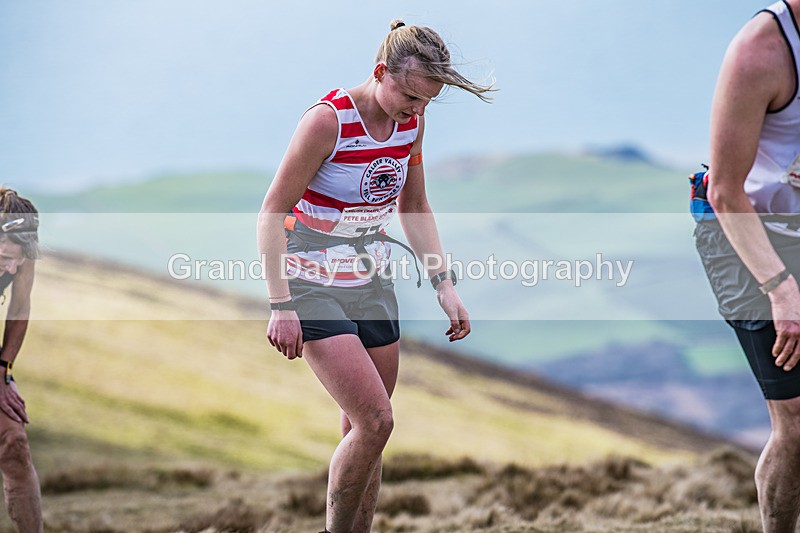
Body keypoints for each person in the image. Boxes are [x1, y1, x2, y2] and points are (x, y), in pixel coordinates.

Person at [257, 20, 493, 533]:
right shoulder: (327, 122)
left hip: (371, 281)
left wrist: (444, 284)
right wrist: (281, 305)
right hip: (311, 281)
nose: (417, 110)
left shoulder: (411, 122)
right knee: (377, 421)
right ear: (380, 72)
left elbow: (414, 204)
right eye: (410, 96)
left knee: (367, 431)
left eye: (428, 102)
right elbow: (272, 211)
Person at [697, 1, 800, 531]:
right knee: (797, 421)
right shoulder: (760, 51)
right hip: (742, 232)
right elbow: (724, 191)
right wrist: (782, 291)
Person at [0, 189, 43, 533]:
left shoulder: (21, 253)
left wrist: (4, 371)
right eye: (4, 257)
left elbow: (19, 307)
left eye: (18, 260)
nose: (12, 268)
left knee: (14, 441)